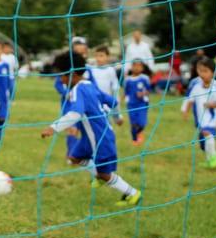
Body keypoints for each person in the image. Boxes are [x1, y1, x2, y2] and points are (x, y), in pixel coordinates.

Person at [41, 51, 141, 207]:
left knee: (104, 173)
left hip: (100, 138)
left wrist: (53, 128)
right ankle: (98, 176)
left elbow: (75, 113)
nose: (61, 79)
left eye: (62, 75)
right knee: (74, 157)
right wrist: (115, 116)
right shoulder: (89, 84)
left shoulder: (77, 90)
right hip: (90, 136)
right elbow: (113, 101)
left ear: (72, 74)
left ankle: (132, 193)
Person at [181, 56, 216, 169]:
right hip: (200, 120)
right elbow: (190, 100)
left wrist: (212, 104)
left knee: (208, 133)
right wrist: (185, 111)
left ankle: (214, 158)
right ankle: (209, 160)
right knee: (203, 144)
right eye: (200, 71)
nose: (202, 74)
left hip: (212, 119)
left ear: (212, 72)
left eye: (205, 71)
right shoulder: (196, 86)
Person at [91, 45, 123, 125]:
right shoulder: (92, 70)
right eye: (96, 56)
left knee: (106, 128)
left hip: (106, 106)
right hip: (93, 105)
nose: (98, 58)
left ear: (107, 57)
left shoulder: (110, 71)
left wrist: (117, 114)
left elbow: (115, 91)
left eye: (101, 56)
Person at [124, 59, 151, 145]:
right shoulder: (128, 80)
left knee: (142, 122)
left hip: (142, 103)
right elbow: (126, 92)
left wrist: (142, 94)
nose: (136, 68)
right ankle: (134, 140)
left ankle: (140, 133)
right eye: (134, 65)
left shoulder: (144, 78)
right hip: (131, 104)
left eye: (139, 66)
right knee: (133, 123)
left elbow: (149, 90)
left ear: (142, 68)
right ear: (131, 67)